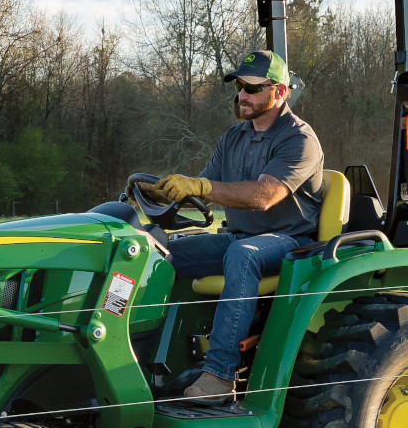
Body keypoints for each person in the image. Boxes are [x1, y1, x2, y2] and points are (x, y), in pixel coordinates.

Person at [94, 49, 324, 404]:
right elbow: (201, 190)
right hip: (239, 235)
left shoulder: (299, 139)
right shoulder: (234, 137)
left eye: (251, 88)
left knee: (242, 255)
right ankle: (134, 360)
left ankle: (219, 375)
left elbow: (264, 195)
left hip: (289, 241)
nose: (242, 96)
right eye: (239, 87)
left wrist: (200, 186)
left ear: (279, 92)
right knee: (159, 253)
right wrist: (154, 192)